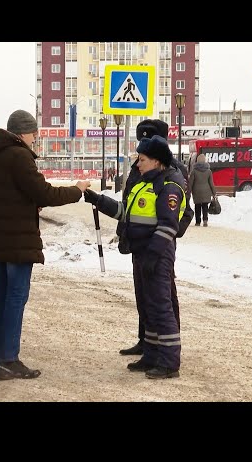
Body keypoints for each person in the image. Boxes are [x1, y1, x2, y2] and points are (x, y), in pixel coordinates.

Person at [0, 109, 90, 381]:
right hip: (17, 239)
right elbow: (43, 192)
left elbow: (11, 193)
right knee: (15, 298)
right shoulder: (18, 155)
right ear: (22, 133)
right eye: (33, 133)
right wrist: (77, 190)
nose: (35, 138)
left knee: (0, 297)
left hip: (0, 237)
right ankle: (8, 359)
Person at [84, 134, 186, 379]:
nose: (137, 164)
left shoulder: (169, 186)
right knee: (148, 306)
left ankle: (169, 362)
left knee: (161, 307)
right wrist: (99, 201)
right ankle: (150, 354)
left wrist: (152, 256)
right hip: (142, 254)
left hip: (157, 255)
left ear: (156, 161)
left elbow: (168, 226)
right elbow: (126, 213)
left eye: (141, 159)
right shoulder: (144, 183)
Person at [115, 119, 193, 357]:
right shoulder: (141, 165)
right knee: (144, 293)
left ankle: (168, 346)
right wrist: (124, 230)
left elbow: (183, 211)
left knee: (163, 296)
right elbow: (130, 201)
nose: (143, 143)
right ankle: (147, 341)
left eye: (147, 137)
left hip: (159, 242)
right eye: (141, 138)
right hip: (140, 240)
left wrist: (167, 235)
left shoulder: (173, 170)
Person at [188, 153, 216, 227]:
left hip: (196, 192)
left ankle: (197, 222)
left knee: (197, 206)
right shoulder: (208, 171)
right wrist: (214, 193)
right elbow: (211, 183)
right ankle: (205, 220)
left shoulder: (194, 171)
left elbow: (190, 183)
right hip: (206, 192)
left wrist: (188, 192)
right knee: (205, 206)